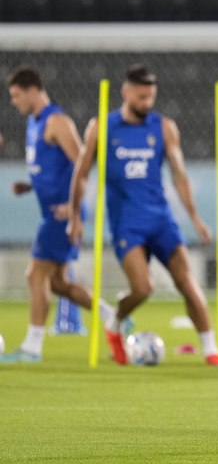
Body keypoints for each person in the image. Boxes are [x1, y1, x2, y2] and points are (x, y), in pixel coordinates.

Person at [68, 64, 218, 366]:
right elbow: (82, 173)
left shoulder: (164, 127)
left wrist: (194, 218)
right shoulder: (101, 126)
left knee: (187, 282)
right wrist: (75, 216)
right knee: (143, 288)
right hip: (127, 223)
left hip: (161, 220)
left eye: (151, 97)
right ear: (126, 92)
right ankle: (114, 321)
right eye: (141, 97)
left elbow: (179, 175)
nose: (147, 103)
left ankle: (211, 349)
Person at [1, 66, 120, 363]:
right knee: (58, 284)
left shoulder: (57, 122)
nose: (13, 101)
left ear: (32, 90)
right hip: (50, 210)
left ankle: (32, 347)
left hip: (60, 215)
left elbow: (82, 163)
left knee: (34, 275)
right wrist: (31, 186)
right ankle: (115, 317)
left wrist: (74, 206)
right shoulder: (34, 123)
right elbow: (54, 169)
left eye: (16, 95)